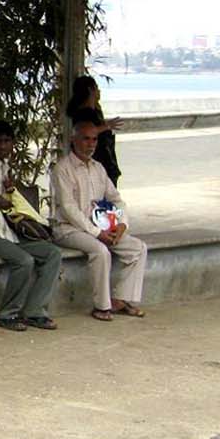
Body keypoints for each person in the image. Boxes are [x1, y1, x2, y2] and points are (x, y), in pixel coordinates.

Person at [52, 115, 149, 321]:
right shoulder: (62, 169)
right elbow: (69, 209)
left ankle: (123, 299)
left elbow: (117, 200)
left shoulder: (98, 168)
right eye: (86, 139)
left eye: (94, 139)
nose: (91, 144)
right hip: (68, 229)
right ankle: (102, 306)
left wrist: (122, 224)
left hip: (99, 229)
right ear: (74, 140)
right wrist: (98, 233)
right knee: (100, 251)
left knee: (138, 248)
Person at [0, 121, 62, 332]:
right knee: (24, 261)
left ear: (13, 143)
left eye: (7, 141)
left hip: (9, 233)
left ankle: (34, 311)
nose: (3, 146)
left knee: (52, 254)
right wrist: (14, 199)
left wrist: (11, 192)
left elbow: (7, 199)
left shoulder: (5, 166)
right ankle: (7, 314)